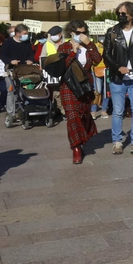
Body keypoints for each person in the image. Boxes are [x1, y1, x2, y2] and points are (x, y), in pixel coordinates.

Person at [46, 20, 101, 164]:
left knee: (84, 115)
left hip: (85, 87)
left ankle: (81, 140)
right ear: (71, 33)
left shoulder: (89, 46)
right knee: (72, 116)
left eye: (84, 33)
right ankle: (76, 148)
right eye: (78, 33)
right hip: (68, 86)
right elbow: (61, 67)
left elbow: (97, 59)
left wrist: (89, 44)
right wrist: (73, 52)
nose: (81, 36)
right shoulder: (64, 47)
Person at [102, 1, 133, 155]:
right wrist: (118, 67)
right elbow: (106, 55)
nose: (121, 16)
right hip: (118, 79)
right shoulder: (113, 32)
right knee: (118, 111)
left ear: (132, 15)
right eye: (119, 13)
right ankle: (117, 141)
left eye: (124, 13)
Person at [0, 24, 35, 126]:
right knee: (11, 92)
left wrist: (30, 60)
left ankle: (23, 111)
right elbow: (3, 56)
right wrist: (10, 61)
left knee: (23, 91)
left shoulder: (27, 42)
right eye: (24, 34)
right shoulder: (8, 42)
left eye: (27, 34)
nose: (26, 35)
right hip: (11, 70)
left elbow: (30, 54)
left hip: (24, 70)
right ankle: (11, 113)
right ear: (18, 33)